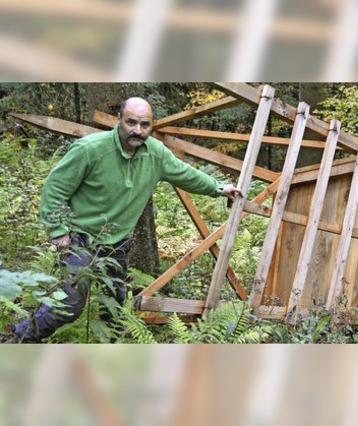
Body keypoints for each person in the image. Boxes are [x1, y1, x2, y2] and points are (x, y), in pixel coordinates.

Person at [10, 97, 241, 342]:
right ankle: (18, 339)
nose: (137, 130)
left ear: (152, 126)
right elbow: (55, 188)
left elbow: (187, 175)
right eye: (131, 122)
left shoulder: (156, 153)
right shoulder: (90, 149)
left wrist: (218, 188)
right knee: (70, 304)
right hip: (81, 237)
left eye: (144, 124)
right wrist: (58, 231)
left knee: (115, 308)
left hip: (117, 242)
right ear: (119, 119)